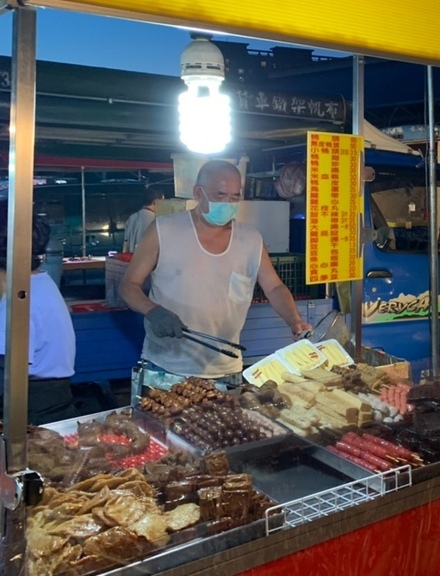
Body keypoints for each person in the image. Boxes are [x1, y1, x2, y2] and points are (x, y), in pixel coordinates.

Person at [120, 160, 313, 380]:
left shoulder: (250, 238)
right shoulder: (164, 230)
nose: (228, 204)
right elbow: (128, 285)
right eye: (220, 196)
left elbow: (274, 286)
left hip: (226, 369)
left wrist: (294, 320)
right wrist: (153, 311)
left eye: (234, 197)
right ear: (198, 193)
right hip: (166, 367)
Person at [0, 211, 77, 424]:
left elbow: (5, 373)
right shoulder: (40, 283)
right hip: (52, 405)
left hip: (34, 415)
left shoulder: (18, 300)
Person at [123, 185, 165, 253]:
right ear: (155, 202)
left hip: (132, 259)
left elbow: (126, 244)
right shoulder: (156, 220)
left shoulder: (132, 218)